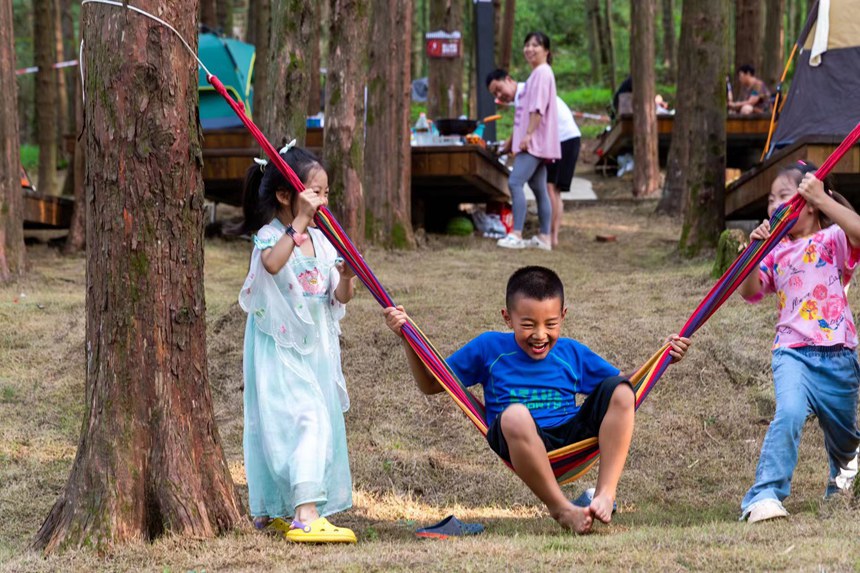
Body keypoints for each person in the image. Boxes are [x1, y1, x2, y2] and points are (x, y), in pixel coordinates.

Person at [383, 266, 691, 534]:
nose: (540, 335)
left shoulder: (571, 353)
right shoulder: (489, 348)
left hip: (569, 438)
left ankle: (605, 494)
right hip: (517, 436)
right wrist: (408, 339)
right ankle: (562, 509)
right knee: (515, 414)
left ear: (563, 316)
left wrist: (662, 359)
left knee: (621, 389)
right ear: (508, 318)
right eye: (528, 324)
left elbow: (628, 386)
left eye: (550, 324)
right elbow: (431, 383)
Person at [235, 143, 358, 543]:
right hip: (279, 349)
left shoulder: (323, 241)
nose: (324, 201)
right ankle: (304, 515)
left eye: (326, 193)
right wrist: (300, 221)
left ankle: (280, 509)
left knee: (312, 420)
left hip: (316, 349)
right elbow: (273, 264)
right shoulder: (271, 236)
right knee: (301, 420)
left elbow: (337, 296)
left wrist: (347, 277)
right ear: (286, 195)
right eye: (315, 193)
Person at [737, 161, 860, 524]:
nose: (774, 205)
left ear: (807, 203)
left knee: (845, 440)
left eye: (783, 196)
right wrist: (753, 253)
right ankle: (765, 495)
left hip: (838, 355)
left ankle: (842, 481)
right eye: (770, 199)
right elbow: (749, 291)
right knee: (789, 413)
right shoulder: (775, 251)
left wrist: (822, 198)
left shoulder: (834, 239)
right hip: (792, 353)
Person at [486, 68, 581, 248]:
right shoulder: (521, 95)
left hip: (562, 138)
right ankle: (546, 236)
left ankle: (529, 235)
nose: (499, 96)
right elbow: (520, 126)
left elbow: (534, 119)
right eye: (495, 94)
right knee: (541, 188)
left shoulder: (527, 91)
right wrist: (506, 147)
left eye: (499, 89)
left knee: (537, 187)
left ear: (509, 79)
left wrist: (523, 140)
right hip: (546, 140)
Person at [494, 32, 561, 251]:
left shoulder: (542, 72)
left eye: (535, 45)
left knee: (515, 182)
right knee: (539, 188)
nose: (529, 49)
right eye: (527, 45)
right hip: (537, 140)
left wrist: (529, 134)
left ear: (546, 51)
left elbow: (538, 107)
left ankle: (516, 233)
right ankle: (545, 237)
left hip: (534, 141)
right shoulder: (537, 73)